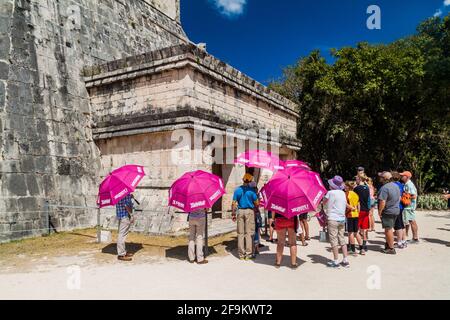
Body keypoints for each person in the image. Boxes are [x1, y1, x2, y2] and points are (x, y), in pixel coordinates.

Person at [323, 175, 350, 268]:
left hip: (333, 218)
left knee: (333, 240)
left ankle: (335, 261)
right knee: (342, 238)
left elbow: (324, 202)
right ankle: (345, 259)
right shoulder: (342, 193)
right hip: (342, 218)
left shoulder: (330, 193)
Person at [232, 173, 259, 260]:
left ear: (243, 180)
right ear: (250, 181)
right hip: (249, 211)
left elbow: (233, 203)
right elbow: (257, 203)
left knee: (240, 233)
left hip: (240, 211)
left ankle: (241, 254)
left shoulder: (237, 190)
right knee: (249, 233)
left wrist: (233, 213)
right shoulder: (252, 191)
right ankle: (248, 254)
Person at [377, 171, 401, 254]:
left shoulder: (384, 188)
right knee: (389, 228)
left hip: (388, 211)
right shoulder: (396, 186)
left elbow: (382, 201)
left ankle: (391, 248)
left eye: (381, 177)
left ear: (385, 179)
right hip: (395, 210)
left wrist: (379, 211)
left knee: (388, 229)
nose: (380, 178)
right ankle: (388, 244)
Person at [345, 181, 364, 255]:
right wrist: (357, 212)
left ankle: (353, 250)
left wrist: (351, 208)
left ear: (348, 187)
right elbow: (359, 205)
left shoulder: (346, 194)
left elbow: (345, 204)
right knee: (356, 232)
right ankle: (362, 248)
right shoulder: (356, 194)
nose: (344, 187)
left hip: (350, 214)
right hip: (356, 215)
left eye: (345, 186)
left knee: (350, 233)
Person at [400, 171, 419, 244]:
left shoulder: (409, 185)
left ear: (407, 177)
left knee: (411, 221)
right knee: (410, 221)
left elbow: (414, 195)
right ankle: (413, 238)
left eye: (403, 175)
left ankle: (414, 238)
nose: (401, 177)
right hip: (409, 206)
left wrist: (404, 197)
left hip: (409, 206)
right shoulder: (407, 184)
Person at [354, 174, 370, 252]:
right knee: (364, 229)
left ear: (360, 179)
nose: (355, 180)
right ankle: (364, 244)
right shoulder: (367, 188)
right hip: (366, 210)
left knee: (355, 230)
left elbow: (355, 200)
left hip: (359, 210)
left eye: (356, 179)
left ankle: (360, 247)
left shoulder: (356, 188)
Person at [116, 193, 134, 261]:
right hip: (125, 216)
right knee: (122, 235)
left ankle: (123, 252)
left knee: (122, 234)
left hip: (120, 216)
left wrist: (130, 197)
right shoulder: (124, 193)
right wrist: (131, 215)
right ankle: (121, 254)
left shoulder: (117, 194)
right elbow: (126, 205)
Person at [249, 181, 264, 256]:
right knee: (256, 231)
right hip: (256, 213)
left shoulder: (250, 194)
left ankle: (253, 248)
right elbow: (258, 204)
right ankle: (256, 248)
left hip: (252, 213)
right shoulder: (257, 194)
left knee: (252, 231)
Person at [392, 172, 407, 249]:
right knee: (401, 224)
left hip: (396, 206)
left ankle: (399, 242)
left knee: (397, 225)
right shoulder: (401, 185)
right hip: (401, 206)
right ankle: (404, 241)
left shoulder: (394, 185)